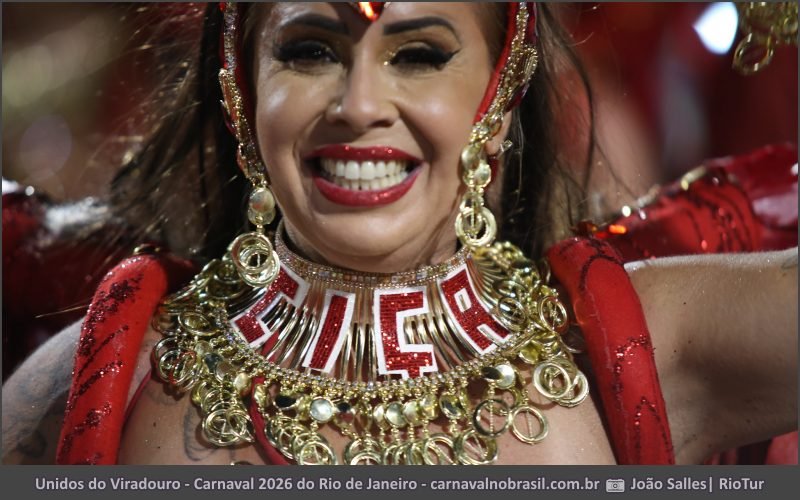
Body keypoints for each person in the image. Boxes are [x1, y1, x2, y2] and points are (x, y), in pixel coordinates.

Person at [2, 2, 796, 466]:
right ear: (242, 89)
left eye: (419, 56)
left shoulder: (643, 343)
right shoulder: (109, 373)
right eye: (310, 51)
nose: (359, 104)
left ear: (501, 95)